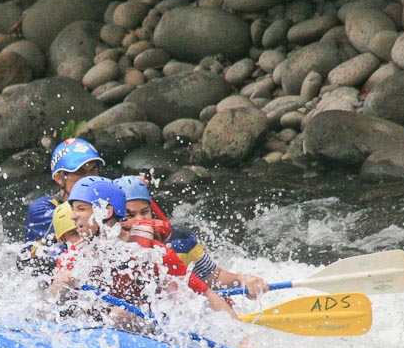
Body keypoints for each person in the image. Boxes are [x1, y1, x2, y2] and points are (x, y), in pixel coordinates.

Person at [50, 177, 240, 327]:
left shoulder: (152, 253)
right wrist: (60, 285)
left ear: (105, 212)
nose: (73, 216)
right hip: (96, 330)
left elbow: (207, 294)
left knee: (120, 314)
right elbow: (50, 305)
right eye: (74, 210)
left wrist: (242, 341)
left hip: (149, 329)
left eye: (81, 209)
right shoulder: (76, 256)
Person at [113, 176, 269, 298]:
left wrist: (242, 280)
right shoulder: (107, 248)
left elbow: (214, 277)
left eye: (144, 212)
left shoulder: (180, 240)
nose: (141, 220)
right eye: (129, 215)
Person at [20, 138, 104, 271]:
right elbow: (72, 223)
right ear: (59, 178)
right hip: (45, 278)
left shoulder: (103, 201)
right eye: (79, 172)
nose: (89, 178)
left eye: (93, 170)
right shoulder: (41, 209)